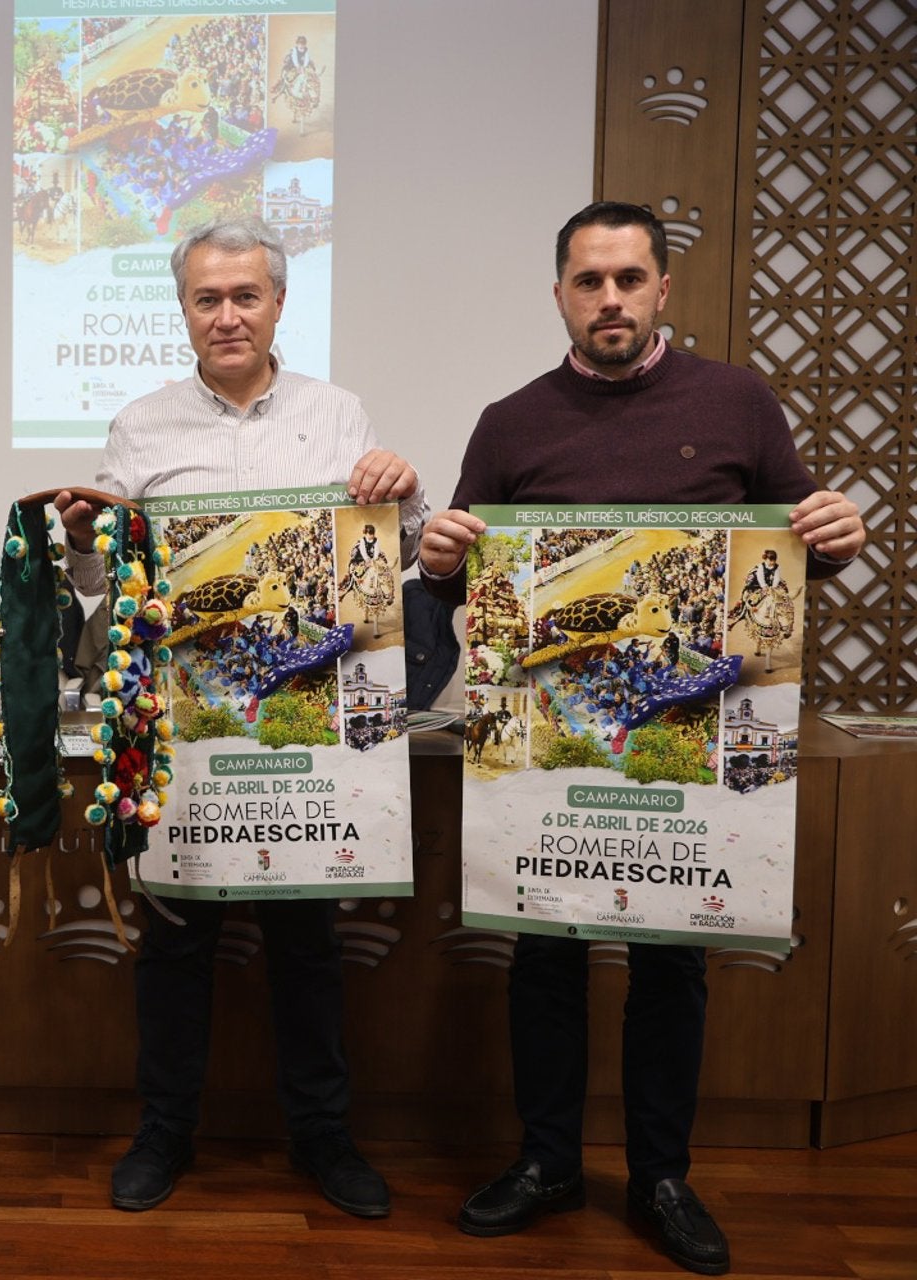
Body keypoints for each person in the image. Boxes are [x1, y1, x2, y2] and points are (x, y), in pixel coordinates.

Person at [417, 200, 864, 1276]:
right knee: (545, 960)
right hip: (548, 749)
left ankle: (663, 1173)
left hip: (698, 749)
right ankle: (548, 1161)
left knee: (674, 963)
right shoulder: (511, 419)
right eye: (587, 280)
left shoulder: (737, 402)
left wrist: (835, 534)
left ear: (663, 288)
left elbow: (794, 550)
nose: (608, 298)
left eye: (628, 278)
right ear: (560, 292)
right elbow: (466, 573)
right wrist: (438, 555)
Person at [54, 215, 427, 1218]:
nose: (227, 314)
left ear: (278, 303)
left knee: (308, 949)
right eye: (206, 298)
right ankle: (163, 1133)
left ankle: (324, 1139)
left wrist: (411, 495)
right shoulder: (140, 424)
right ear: (183, 309)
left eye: (245, 295)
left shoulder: (339, 411)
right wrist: (81, 542)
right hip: (186, 741)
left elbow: (393, 561)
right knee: (175, 948)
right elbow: (104, 590)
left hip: (313, 734)